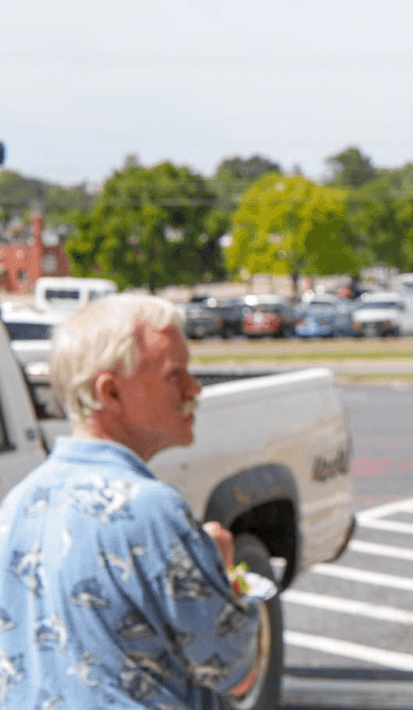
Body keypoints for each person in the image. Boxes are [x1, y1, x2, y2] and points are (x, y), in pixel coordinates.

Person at [0, 294, 265, 708]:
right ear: (110, 392)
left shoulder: (17, 505)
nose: (194, 389)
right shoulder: (151, 510)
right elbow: (233, 669)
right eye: (174, 375)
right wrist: (222, 572)